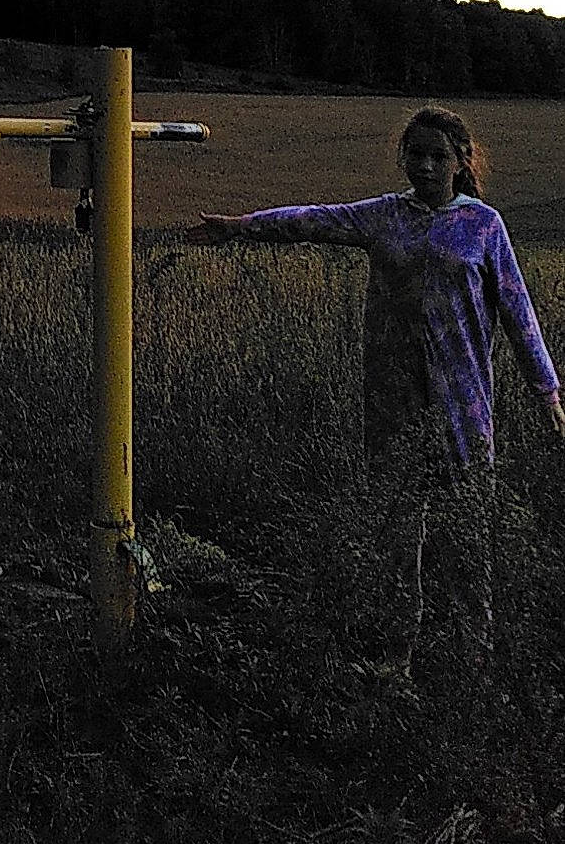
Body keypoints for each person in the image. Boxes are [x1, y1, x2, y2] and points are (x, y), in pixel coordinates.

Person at [185, 107, 565, 676]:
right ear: (404, 159)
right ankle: (396, 656)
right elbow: (314, 219)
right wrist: (241, 226)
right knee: (397, 531)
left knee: (467, 533)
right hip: (392, 401)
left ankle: (475, 661)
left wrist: (548, 392)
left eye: (440, 156)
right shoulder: (384, 216)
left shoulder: (484, 226)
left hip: (464, 407)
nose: (427, 167)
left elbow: (518, 312)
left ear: (462, 162)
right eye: (417, 155)